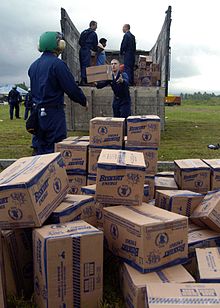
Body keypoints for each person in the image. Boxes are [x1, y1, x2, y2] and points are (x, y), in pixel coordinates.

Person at [28, 31, 88, 155]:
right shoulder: (58, 65)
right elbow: (71, 88)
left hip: (37, 114)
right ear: (58, 45)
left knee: (39, 149)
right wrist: (83, 100)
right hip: (53, 115)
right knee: (55, 150)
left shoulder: (33, 66)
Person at [79, 21, 98, 85]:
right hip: (88, 50)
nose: (96, 27)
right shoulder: (93, 34)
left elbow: (79, 42)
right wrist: (94, 51)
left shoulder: (84, 32)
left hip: (82, 50)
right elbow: (95, 44)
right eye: (96, 25)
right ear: (92, 25)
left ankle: (82, 80)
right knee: (86, 65)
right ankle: (84, 81)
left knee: (82, 64)